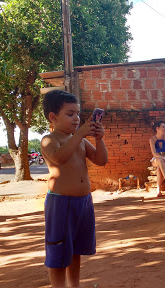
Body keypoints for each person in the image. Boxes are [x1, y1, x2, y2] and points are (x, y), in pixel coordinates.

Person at [40, 90, 108, 288]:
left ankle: (74, 285)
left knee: (76, 250)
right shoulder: (49, 140)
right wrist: (79, 134)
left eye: (78, 114)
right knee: (58, 250)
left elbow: (101, 160)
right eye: (70, 114)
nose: (76, 119)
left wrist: (99, 138)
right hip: (60, 203)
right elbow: (60, 157)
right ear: (53, 117)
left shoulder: (81, 141)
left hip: (83, 202)